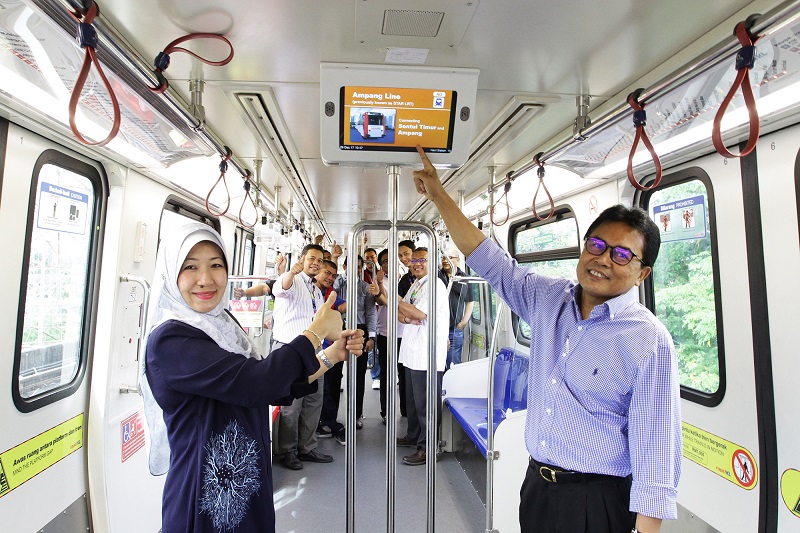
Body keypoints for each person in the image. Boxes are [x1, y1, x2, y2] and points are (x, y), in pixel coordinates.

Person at [412, 146, 681, 533]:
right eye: (597, 245)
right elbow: (486, 257)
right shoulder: (548, 298)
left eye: (622, 255)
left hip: (597, 501)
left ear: (642, 274)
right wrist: (439, 194)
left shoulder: (648, 341)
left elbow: (656, 450)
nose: (603, 259)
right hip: (537, 487)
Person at [140, 222, 363, 533]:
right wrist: (316, 331)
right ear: (170, 273)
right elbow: (256, 383)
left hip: (244, 482)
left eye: (216, 265)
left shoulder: (220, 324)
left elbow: (271, 388)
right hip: (205, 496)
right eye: (190, 267)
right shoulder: (171, 340)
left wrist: (331, 355)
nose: (205, 279)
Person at [272, 244, 334, 470]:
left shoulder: (316, 290)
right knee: (292, 404)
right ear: (301, 259)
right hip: (290, 350)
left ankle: (306, 447)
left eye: (320, 259)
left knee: (313, 401)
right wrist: (291, 271)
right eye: (311, 259)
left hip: (313, 351)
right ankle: (288, 451)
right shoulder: (292, 280)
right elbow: (281, 289)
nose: (316, 263)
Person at [395, 247, 449, 466]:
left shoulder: (435, 285)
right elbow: (402, 314)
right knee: (414, 401)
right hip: (412, 352)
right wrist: (406, 316)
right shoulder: (417, 284)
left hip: (426, 354)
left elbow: (418, 313)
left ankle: (428, 448)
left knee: (426, 403)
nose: (417, 263)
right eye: (414, 260)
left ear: (432, 262)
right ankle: (414, 436)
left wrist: (397, 303)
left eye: (422, 260)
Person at [333, 255, 377, 429]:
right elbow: (333, 289)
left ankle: (356, 414)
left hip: (359, 328)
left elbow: (371, 313)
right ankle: (330, 418)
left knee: (358, 376)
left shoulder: (365, 288)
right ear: (345, 266)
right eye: (352, 266)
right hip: (337, 327)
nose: (356, 270)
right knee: (334, 376)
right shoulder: (339, 283)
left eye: (359, 267)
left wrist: (371, 336)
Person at [438, 252, 475, 370]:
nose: (445, 260)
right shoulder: (436, 276)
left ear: (458, 260)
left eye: (449, 257)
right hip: (437, 329)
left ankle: (450, 388)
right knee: (437, 363)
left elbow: (470, 301)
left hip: (454, 329)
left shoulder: (464, 278)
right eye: (443, 257)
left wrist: (464, 322)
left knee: (452, 364)